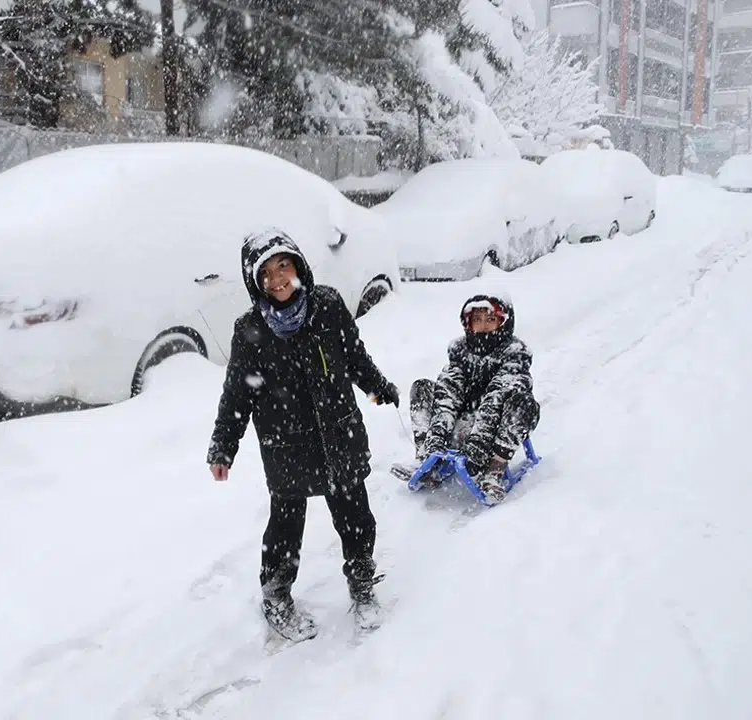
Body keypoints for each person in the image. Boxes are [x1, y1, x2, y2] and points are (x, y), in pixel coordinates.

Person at [207, 228, 400, 641]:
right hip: (286, 445)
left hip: (339, 435)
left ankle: (362, 584)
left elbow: (353, 356)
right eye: (266, 274)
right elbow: (237, 394)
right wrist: (224, 446)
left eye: (284, 265)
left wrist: (376, 385)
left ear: (298, 266)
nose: (278, 279)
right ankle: (276, 595)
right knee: (285, 527)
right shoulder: (250, 331)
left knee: (356, 519)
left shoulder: (327, 306)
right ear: (254, 283)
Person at [395, 293, 540, 505]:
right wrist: (436, 436)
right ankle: (426, 459)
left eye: (490, 319)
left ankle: (494, 469)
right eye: (477, 319)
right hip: (461, 421)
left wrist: (480, 442)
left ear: (503, 322)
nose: (483, 326)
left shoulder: (514, 355)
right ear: (468, 322)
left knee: (524, 404)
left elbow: (497, 397)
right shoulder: (461, 351)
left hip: (494, 429)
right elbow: (448, 393)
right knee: (422, 388)